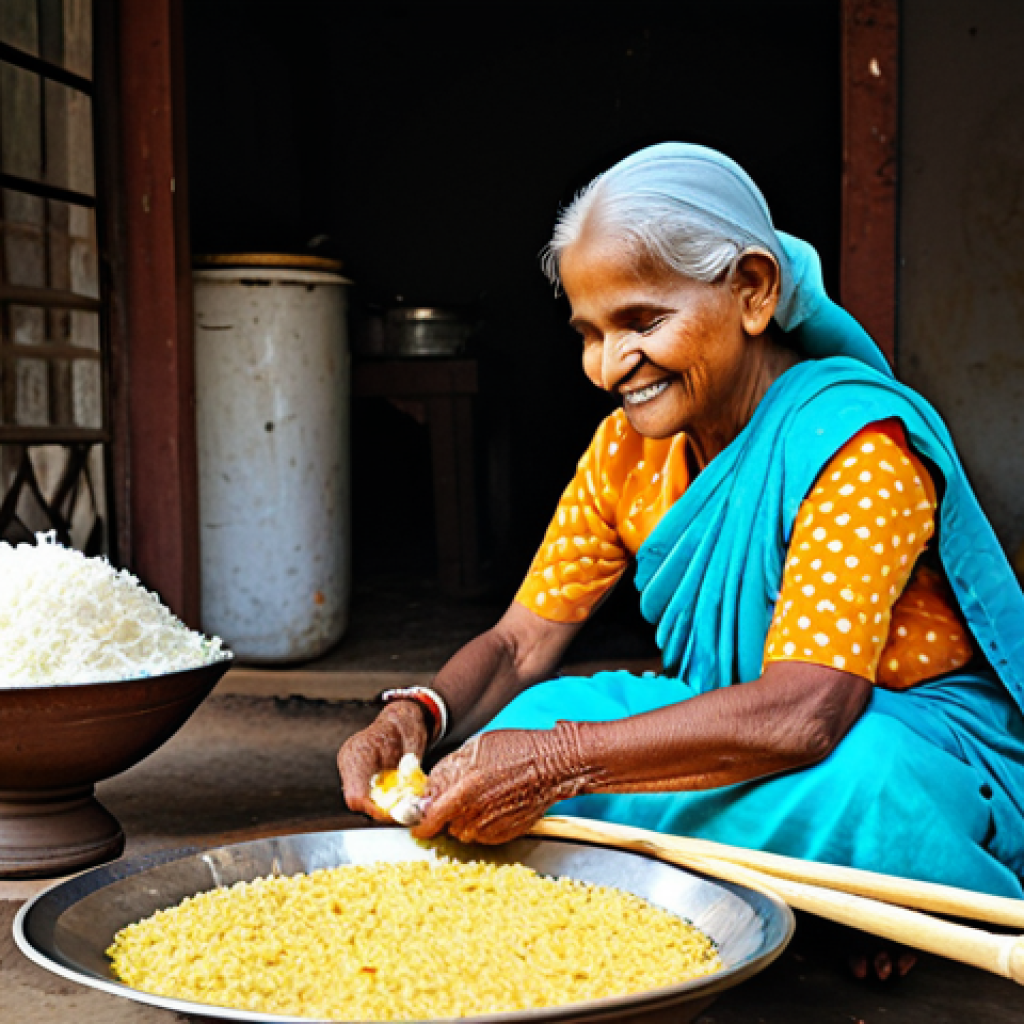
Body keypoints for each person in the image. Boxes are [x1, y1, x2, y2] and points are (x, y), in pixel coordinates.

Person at [338, 144, 1024, 944]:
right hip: (740, 726)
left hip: (893, 738)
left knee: (866, 787)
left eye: (642, 322)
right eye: (590, 333)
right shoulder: (626, 451)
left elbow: (809, 711)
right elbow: (521, 646)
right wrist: (421, 715)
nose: (609, 366)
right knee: (535, 717)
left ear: (753, 291)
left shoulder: (854, 444)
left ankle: (877, 880)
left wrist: (562, 764)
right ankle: (833, 895)